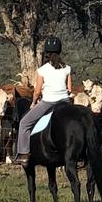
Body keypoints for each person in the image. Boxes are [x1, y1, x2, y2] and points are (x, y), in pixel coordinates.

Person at [14, 36, 72, 165]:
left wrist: (34, 103)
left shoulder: (42, 70)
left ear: (46, 52)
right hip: (66, 102)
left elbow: (37, 91)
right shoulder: (67, 68)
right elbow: (69, 89)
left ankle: (23, 154)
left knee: (24, 123)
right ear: (60, 51)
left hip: (48, 102)